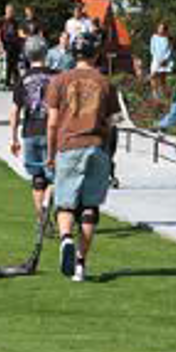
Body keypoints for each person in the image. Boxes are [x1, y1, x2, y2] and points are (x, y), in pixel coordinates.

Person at [45, 32, 121, 283]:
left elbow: (53, 123)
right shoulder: (105, 83)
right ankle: (80, 265)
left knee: (65, 204)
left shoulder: (59, 80)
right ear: (96, 53)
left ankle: (66, 238)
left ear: (72, 54)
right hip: (96, 145)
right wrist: (109, 156)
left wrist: (51, 153)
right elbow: (111, 124)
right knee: (90, 208)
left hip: (68, 145)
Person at [10, 36, 56, 220]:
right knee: (55, 177)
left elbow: (14, 111)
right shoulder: (57, 76)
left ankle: (40, 217)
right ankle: (47, 203)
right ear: (46, 53)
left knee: (37, 178)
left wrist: (13, 138)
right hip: (52, 132)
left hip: (30, 132)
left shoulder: (23, 80)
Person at [0, 4, 24, 89]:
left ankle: (17, 82)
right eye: (9, 11)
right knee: (7, 63)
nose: (10, 13)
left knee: (14, 63)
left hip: (15, 44)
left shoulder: (15, 21)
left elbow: (19, 32)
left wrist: (24, 38)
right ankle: (6, 82)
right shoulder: (1, 20)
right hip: (6, 44)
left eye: (11, 11)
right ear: (5, 11)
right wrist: (0, 44)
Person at [148, 23, 173, 100]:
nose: (160, 30)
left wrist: (165, 59)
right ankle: (154, 93)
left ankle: (163, 93)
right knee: (153, 76)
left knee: (163, 78)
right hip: (156, 59)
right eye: (159, 28)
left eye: (162, 28)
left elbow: (169, 49)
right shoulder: (154, 37)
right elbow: (152, 49)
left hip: (165, 60)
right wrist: (157, 59)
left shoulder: (168, 38)